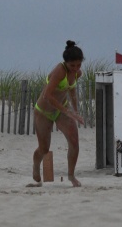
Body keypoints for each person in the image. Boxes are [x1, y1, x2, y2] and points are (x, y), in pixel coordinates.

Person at [31, 41, 85, 187]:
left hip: (61, 110)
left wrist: (76, 111)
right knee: (44, 148)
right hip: (43, 111)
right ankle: (36, 166)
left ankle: (71, 176)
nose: (75, 68)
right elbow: (47, 95)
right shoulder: (59, 71)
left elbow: (72, 90)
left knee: (74, 142)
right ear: (66, 63)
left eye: (78, 65)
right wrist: (67, 111)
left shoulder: (77, 73)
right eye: (72, 65)